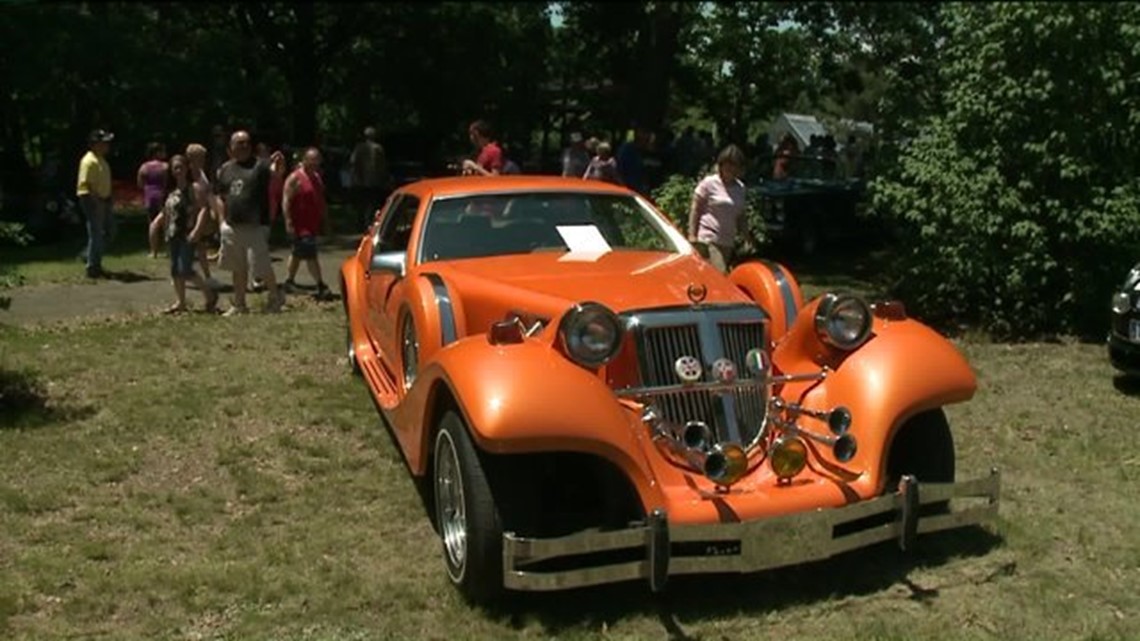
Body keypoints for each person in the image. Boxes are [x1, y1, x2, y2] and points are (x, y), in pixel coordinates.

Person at [213, 130, 287, 315]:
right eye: (239, 143)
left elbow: (276, 175)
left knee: (260, 265)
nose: (244, 146)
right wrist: (221, 221)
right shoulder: (226, 169)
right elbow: (219, 196)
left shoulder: (260, 166)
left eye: (246, 142)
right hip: (232, 225)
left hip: (255, 225)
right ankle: (239, 304)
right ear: (231, 148)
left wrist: (280, 167)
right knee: (237, 267)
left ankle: (275, 297)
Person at [161, 155, 217, 314]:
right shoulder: (171, 191)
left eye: (181, 167)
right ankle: (181, 302)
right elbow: (167, 212)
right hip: (172, 234)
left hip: (187, 233)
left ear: (187, 168)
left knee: (184, 269)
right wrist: (162, 228)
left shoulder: (193, 189)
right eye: (175, 168)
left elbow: (203, 210)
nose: (178, 171)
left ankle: (209, 294)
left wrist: (197, 231)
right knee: (175, 270)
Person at [687, 145, 749, 274]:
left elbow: (741, 215)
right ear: (721, 165)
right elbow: (695, 208)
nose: (730, 169)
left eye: (734, 165)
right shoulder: (709, 183)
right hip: (708, 238)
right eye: (728, 165)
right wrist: (692, 234)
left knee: (710, 277)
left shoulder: (740, 188)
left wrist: (746, 237)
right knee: (720, 273)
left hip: (727, 241)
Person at [282, 147, 331, 299]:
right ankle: (321, 285)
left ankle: (289, 281)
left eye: (317, 161)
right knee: (310, 254)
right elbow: (286, 200)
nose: (315, 164)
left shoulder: (316, 177)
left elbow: (320, 200)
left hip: (312, 223)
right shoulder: (295, 178)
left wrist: (325, 219)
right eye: (312, 160)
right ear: (304, 160)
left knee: (297, 253)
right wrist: (288, 220)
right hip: (300, 224)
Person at [76, 129, 116, 279]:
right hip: (92, 199)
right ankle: (93, 267)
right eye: (104, 143)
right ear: (95, 144)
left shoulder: (101, 160)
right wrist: (96, 202)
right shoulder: (89, 161)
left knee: (109, 231)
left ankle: (88, 254)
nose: (107, 145)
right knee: (96, 232)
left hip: (103, 199)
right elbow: (87, 184)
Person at [349, 126, 392, 230]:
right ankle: (369, 223)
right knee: (373, 203)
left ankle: (362, 223)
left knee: (363, 203)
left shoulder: (359, 147)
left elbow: (353, 162)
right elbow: (382, 165)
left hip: (361, 181)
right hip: (374, 181)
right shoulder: (377, 148)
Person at [137, 141, 169, 258]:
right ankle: (168, 250)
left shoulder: (144, 167)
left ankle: (153, 251)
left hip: (149, 196)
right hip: (161, 195)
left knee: (152, 223)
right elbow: (166, 183)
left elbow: (140, 183)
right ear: (157, 152)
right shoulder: (165, 167)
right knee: (166, 223)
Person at [616, 125, 651, 195]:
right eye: (644, 133)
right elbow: (619, 170)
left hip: (644, 189)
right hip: (629, 188)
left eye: (648, 133)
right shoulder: (627, 149)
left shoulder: (649, 150)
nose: (647, 136)